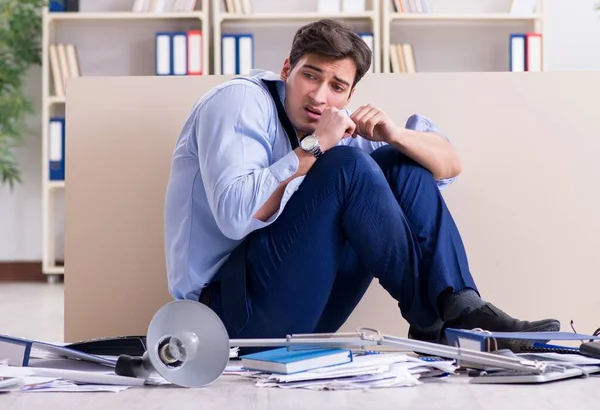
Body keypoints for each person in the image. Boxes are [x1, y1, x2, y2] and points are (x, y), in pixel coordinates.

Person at [163, 18, 559, 350]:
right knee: (348, 164)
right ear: (287, 70)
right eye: (310, 76)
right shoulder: (239, 101)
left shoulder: (341, 122)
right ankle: (438, 321)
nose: (319, 96)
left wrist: (396, 135)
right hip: (227, 319)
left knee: (398, 161)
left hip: (306, 314)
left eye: (336, 87)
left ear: (350, 93)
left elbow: (449, 166)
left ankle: (459, 304)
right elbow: (235, 217)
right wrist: (317, 146)